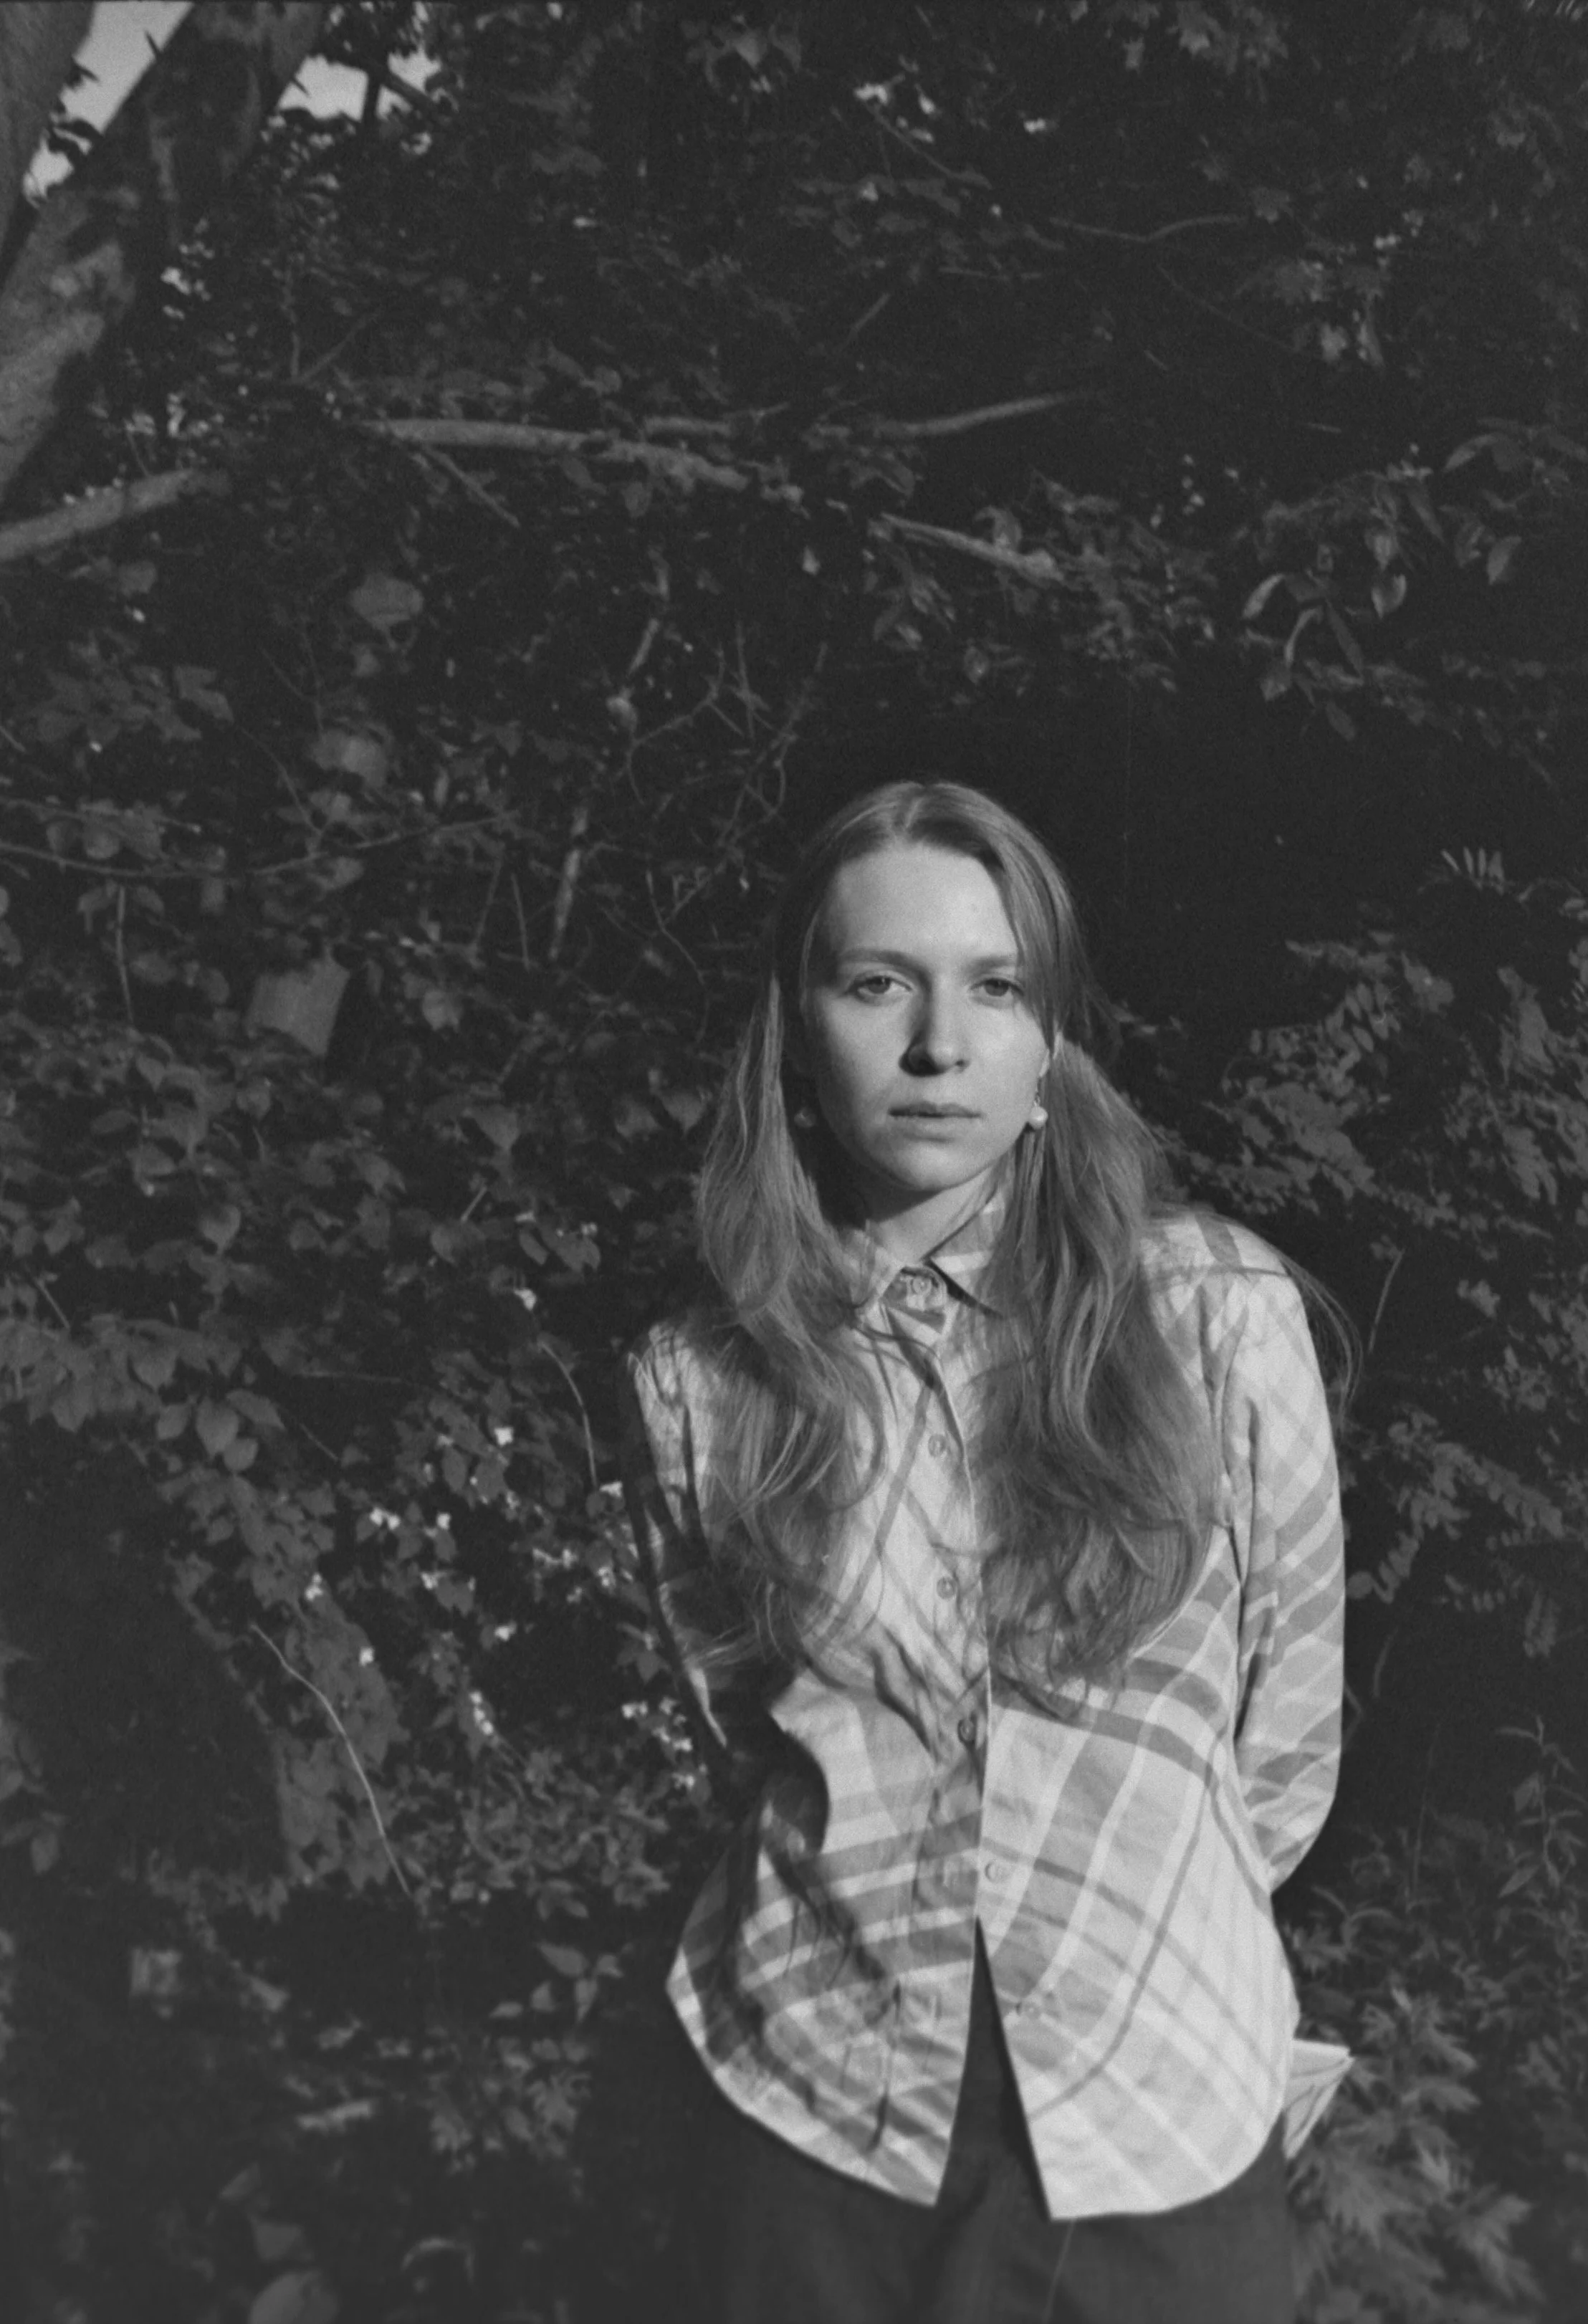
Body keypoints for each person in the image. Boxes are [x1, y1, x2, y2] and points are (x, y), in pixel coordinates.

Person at [620, 781, 1347, 2324]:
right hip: (812, 2109)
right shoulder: (701, 1379)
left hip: (1155, 2100)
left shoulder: (1213, 1314)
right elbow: (750, 1731)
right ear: (799, 1038)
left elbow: (1279, 1753)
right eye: (878, 983)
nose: (938, 1044)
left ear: (1049, 1051)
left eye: (994, 988)